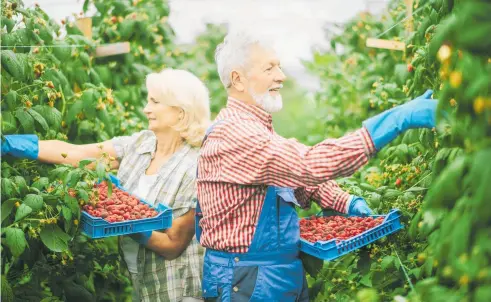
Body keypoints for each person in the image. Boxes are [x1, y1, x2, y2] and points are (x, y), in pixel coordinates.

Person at [195, 30, 438, 301]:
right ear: (237, 79)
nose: (281, 76)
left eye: (280, 66)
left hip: (271, 274)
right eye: (269, 68)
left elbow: (295, 180)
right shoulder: (236, 135)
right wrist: (395, 120)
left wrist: (346, 203)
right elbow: (308, 164)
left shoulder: (257, 131)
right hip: (245, 279)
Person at [2, 68, 211, 302]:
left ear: (180, 113)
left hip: (178, 291)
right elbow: (76, 153)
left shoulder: (196, 166)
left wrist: (132, 226)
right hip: (142, 281)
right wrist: (16, 144)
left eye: (155, 102)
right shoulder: (141, 144)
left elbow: (173, 244)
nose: (146, 109)